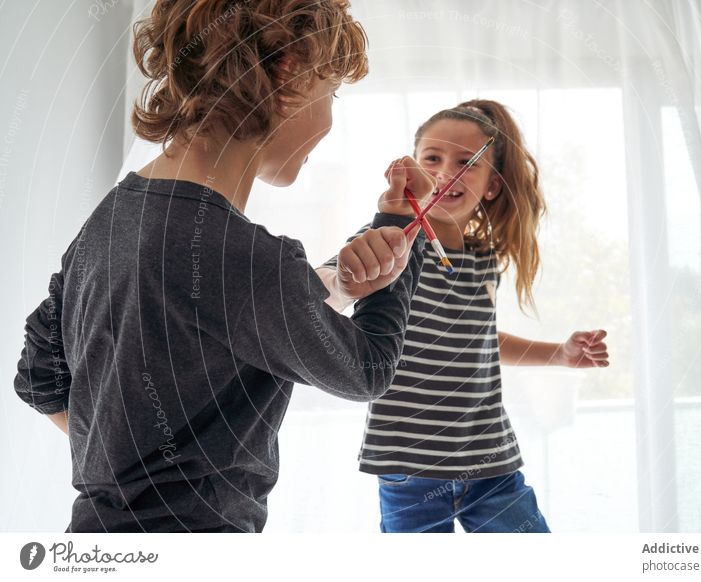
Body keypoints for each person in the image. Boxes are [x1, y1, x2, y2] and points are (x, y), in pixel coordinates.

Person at [13, 0, 435, 533]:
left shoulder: (115, 217)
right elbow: (369, 370)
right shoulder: (240, 255)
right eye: (333, 93)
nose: (330, 117)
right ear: (292, 74)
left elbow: (39, 377)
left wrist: (127, 468)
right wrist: (404, 251)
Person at [320, 99, 610, 533]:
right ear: (411, 170)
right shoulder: (389, 237)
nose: (444, 172)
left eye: (464, 162)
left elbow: (478, 340)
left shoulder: (482, 258)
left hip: (491, 459)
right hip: (409, 464)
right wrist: (337, 277)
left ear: (491, 186)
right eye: (432, 159)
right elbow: (327, 286)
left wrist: (560, 355)